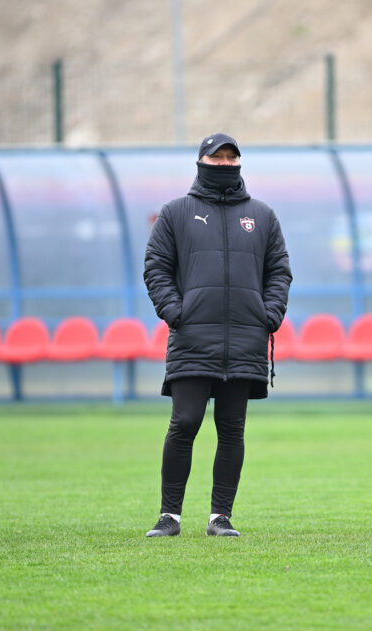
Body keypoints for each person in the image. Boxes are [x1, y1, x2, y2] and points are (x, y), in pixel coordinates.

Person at [143, 133, 292, 538]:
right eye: (217, 157)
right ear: (201, 162)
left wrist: (268, 315)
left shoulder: (262, 215)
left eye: (231, 157)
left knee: (231, 428)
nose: (225, 163)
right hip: (192, 337)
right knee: (185, 422)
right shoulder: (175, 212)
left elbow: (279, 270)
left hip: (245, 339)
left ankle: (220, 517)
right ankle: (169, 517)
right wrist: (176, 313)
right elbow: (156, 266)